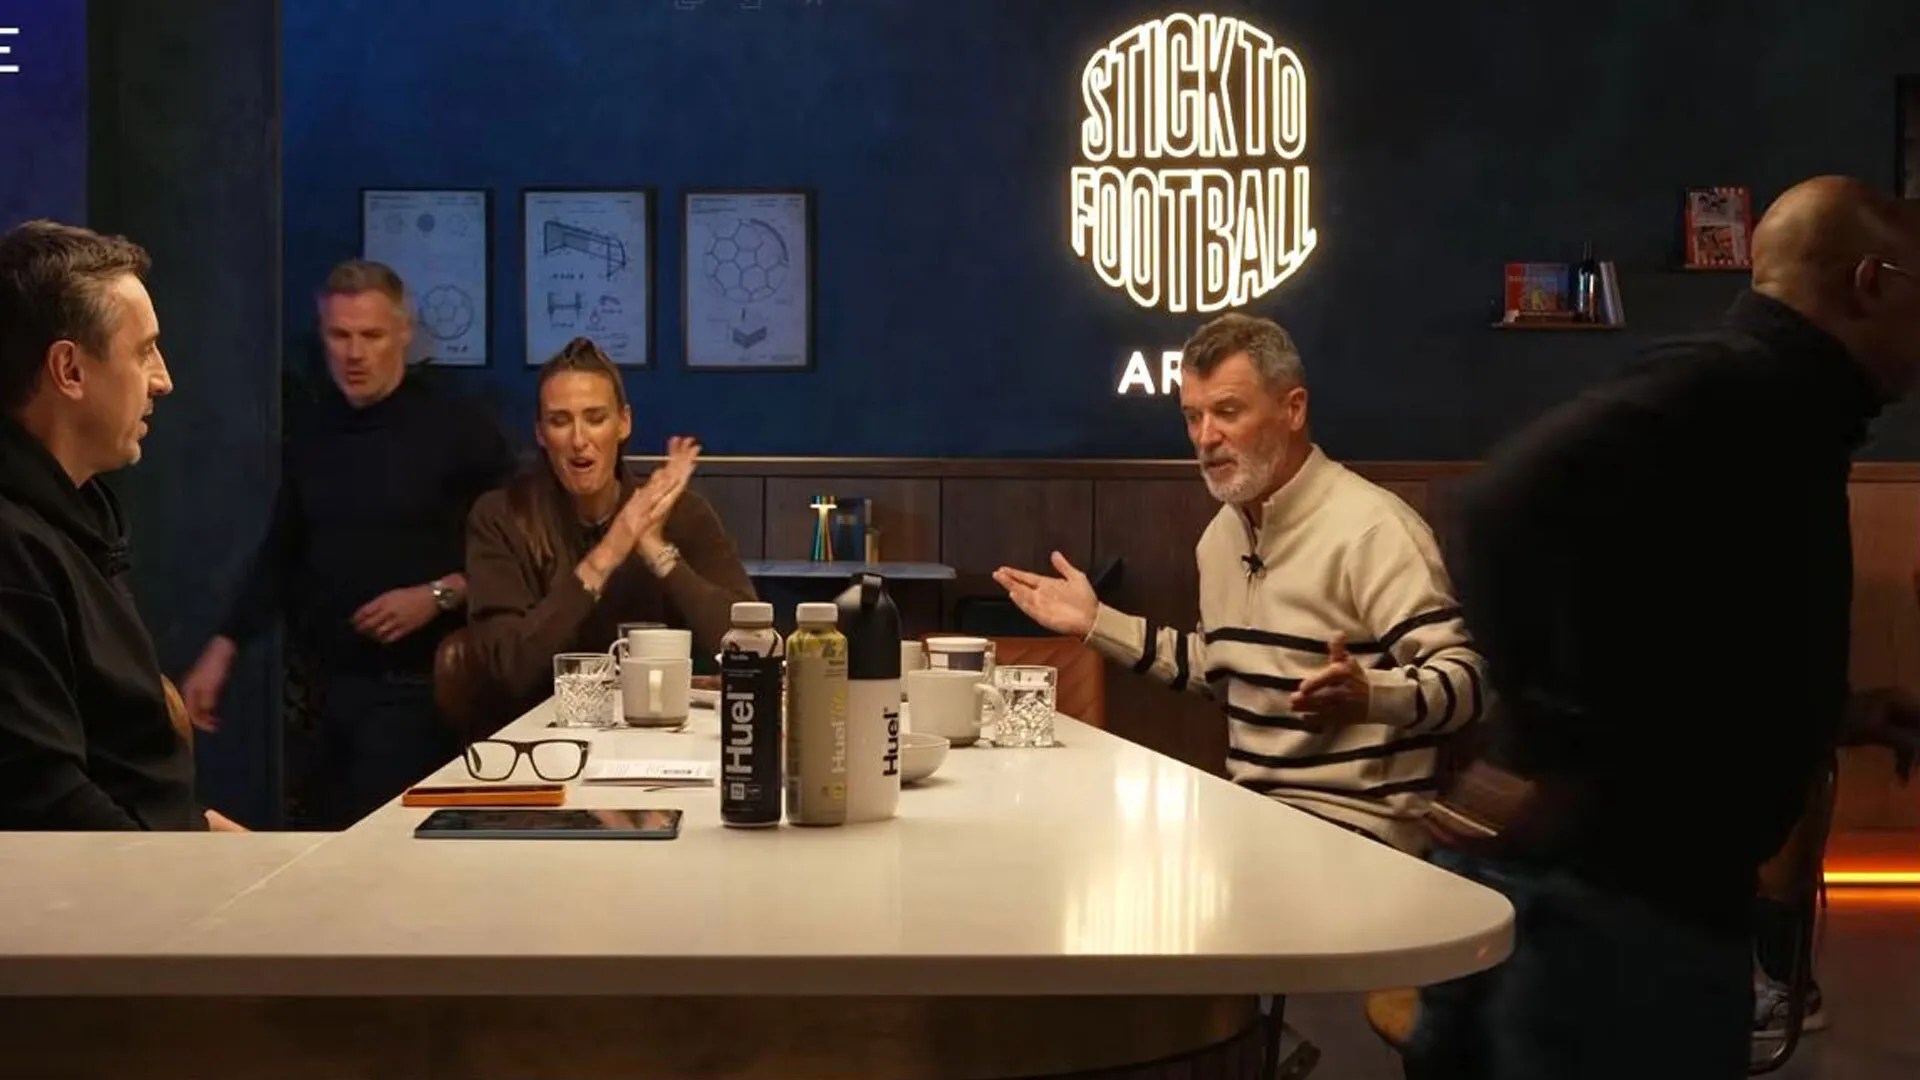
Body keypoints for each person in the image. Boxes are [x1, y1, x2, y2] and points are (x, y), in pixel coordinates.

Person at [1406, 177, 1920, 1079]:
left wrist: (1839, 712)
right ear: (1872, 282)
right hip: (1618, 921)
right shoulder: (1746, 391)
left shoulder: (1783, 407)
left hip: (1632, 909)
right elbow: (1498, 508)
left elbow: (1687, 636)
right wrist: (1556, 751)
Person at [993, 313, 1486, 852]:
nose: (1206, 437)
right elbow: (1220, 667)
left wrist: (1373, 696)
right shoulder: (1221, 537)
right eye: (1192, 417)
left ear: (1293, 409)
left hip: (1361, 831)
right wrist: (1095, 622)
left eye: (1227, 412)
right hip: (1252, 818)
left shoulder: (1373, 529)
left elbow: (1467, 682)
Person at [180, 260, 515, 828]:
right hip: (324, 693)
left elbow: (517, 552)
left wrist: (438, 594)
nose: (354, 353)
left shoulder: (460, 430)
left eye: (371, 335)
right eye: (340, 335)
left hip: (421, 691)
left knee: (385, 849)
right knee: (319, 846)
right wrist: (224, 645)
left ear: (403, 334)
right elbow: (283, 548)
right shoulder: (314, 430)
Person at [0, 219, 239, 830]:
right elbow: (47, 804)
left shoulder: (75, 516)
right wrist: (189, 865)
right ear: (69, 370)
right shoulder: (13, 547)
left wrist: (202, 832)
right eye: (143, 351)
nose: (163, 379)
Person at [465, 336, 754, 722]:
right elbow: (511, 669)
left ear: (623, 423)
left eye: (595, 418)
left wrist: (655, 549)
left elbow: (748, 647)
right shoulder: (501, 517)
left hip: (662, 731)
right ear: (540, 433)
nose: (579, 440)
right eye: (559, 421)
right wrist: (607, 553)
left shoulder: (683, 513)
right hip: (544, 738)